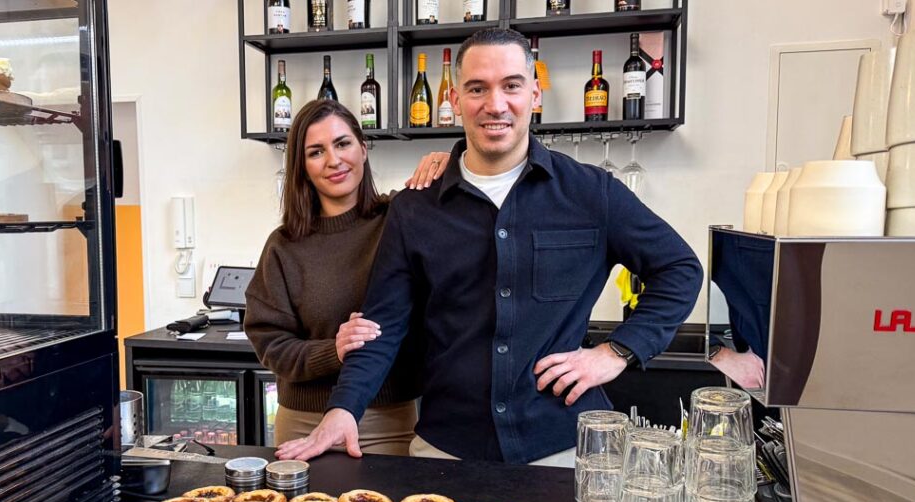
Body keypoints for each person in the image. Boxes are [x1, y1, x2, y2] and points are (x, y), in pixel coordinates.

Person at [276, 28, 703, 465]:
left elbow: (681, 270)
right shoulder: (415, 208)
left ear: (534, 94)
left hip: (566, 448)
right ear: (456, 101)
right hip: (446, 450)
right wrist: (344, 408)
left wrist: (616, 352)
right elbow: (383, 326)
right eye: (477, 88)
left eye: (512, 86)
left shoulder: (592, 194)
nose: (495, 104)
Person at [244, 99, 449, 455]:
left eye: (342, 143)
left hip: (390, 422)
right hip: (304, 424)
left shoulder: (399, 220)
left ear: (363, 148)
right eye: (316, 152)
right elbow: (269, 344)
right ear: (302, 167)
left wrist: (452, 164)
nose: (334, 160)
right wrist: (332, 350)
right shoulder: (284, 247)